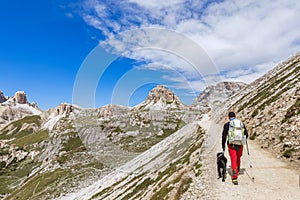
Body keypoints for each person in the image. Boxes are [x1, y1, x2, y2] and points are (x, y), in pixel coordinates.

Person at [222, 111, 248, 185]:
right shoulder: (241, 123)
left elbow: (224, 136)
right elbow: (246, 134)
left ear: (229, 117)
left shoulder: (227, 124)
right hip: (240, 144)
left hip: (231, 144)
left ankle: (234, 177)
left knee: (233, 159)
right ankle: (238, 168)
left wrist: (223, 145)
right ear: (235, 116)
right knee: (238, 157)